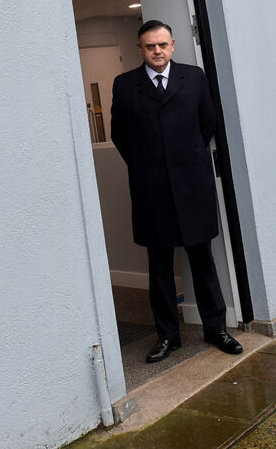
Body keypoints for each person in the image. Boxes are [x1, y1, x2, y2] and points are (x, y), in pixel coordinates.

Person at [110, 19, 243, 363]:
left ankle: (216, 329)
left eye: (163, 45)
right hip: (151, 191)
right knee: (159, 267)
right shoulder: (125, 85)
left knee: (203, 261)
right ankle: (168, 337)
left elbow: (207, 124)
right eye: (150, 46)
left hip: (193, 187)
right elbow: (121, 135)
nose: (157, 51)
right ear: (140, 49)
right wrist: (147, 166)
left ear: (173, 45)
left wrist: (186, 161)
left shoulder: (194, 78)